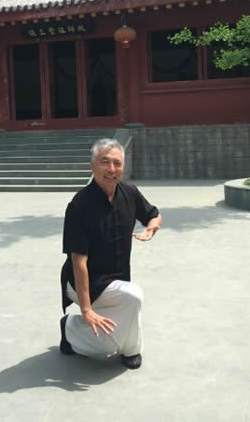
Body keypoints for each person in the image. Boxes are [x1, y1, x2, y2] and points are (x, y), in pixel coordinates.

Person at [59, 138, 162, 369]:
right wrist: (86, 309)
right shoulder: (79, 206)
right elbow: (78, 262)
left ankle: (130, 349)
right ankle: (70, 329)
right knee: (132, 297)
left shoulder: (129, 193)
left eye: (117, 163)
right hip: (82, 282)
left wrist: (151, 227)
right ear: (92, 166)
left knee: (127, 306)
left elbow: (154, 215)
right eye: (104, 162)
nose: (111, 169)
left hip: (116, 281)